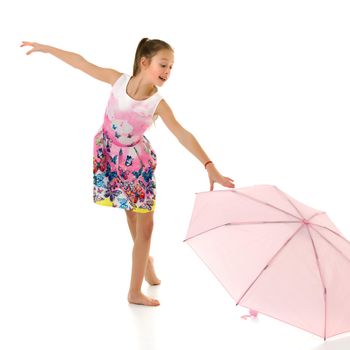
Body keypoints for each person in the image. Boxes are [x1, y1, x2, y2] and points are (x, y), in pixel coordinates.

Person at [20, 38, 235, 307]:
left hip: (137, 167)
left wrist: (209, 165)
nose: (168, 72)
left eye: (171, 68)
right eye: (164, 65)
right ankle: (144, 260)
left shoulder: (158, 104)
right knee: (131, 215)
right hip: (111, 157)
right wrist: (49, 49)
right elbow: (82, 63)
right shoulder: (118, 81)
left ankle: (134, 290)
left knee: (146, 226)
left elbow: (182, 133)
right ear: (144, 62)